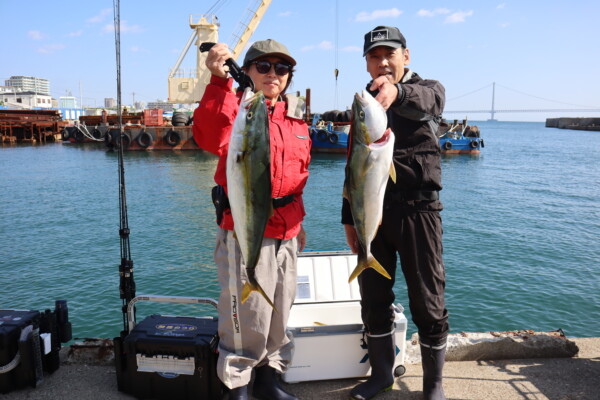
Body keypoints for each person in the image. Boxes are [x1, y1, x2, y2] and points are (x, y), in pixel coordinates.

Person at [193, 39, 310, 400]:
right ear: (249, 71)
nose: (273, 74)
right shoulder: (238, 110)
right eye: (263, 66)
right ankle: (237, 382)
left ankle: (270, 376)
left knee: (280, 306)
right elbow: (210, 136)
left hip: (288, 229)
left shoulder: (297, 120)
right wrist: (218, 82)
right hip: (244, 227)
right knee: (245, 312)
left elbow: (298, 174)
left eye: (282, 68)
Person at [342, 26, 449, 400]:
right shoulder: (364, 102)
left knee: (428, 301)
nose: (383, 62)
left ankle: (433, 385)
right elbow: (354, 166)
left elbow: (428, 102)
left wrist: (397, 92)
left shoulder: (428, 89)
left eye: (390, 53)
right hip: (371, 214)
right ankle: (382, 375)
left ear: (406, 55)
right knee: (373, 300)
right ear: (367, 62)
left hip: (418, 211)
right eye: (374, 56)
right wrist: (348, 218)